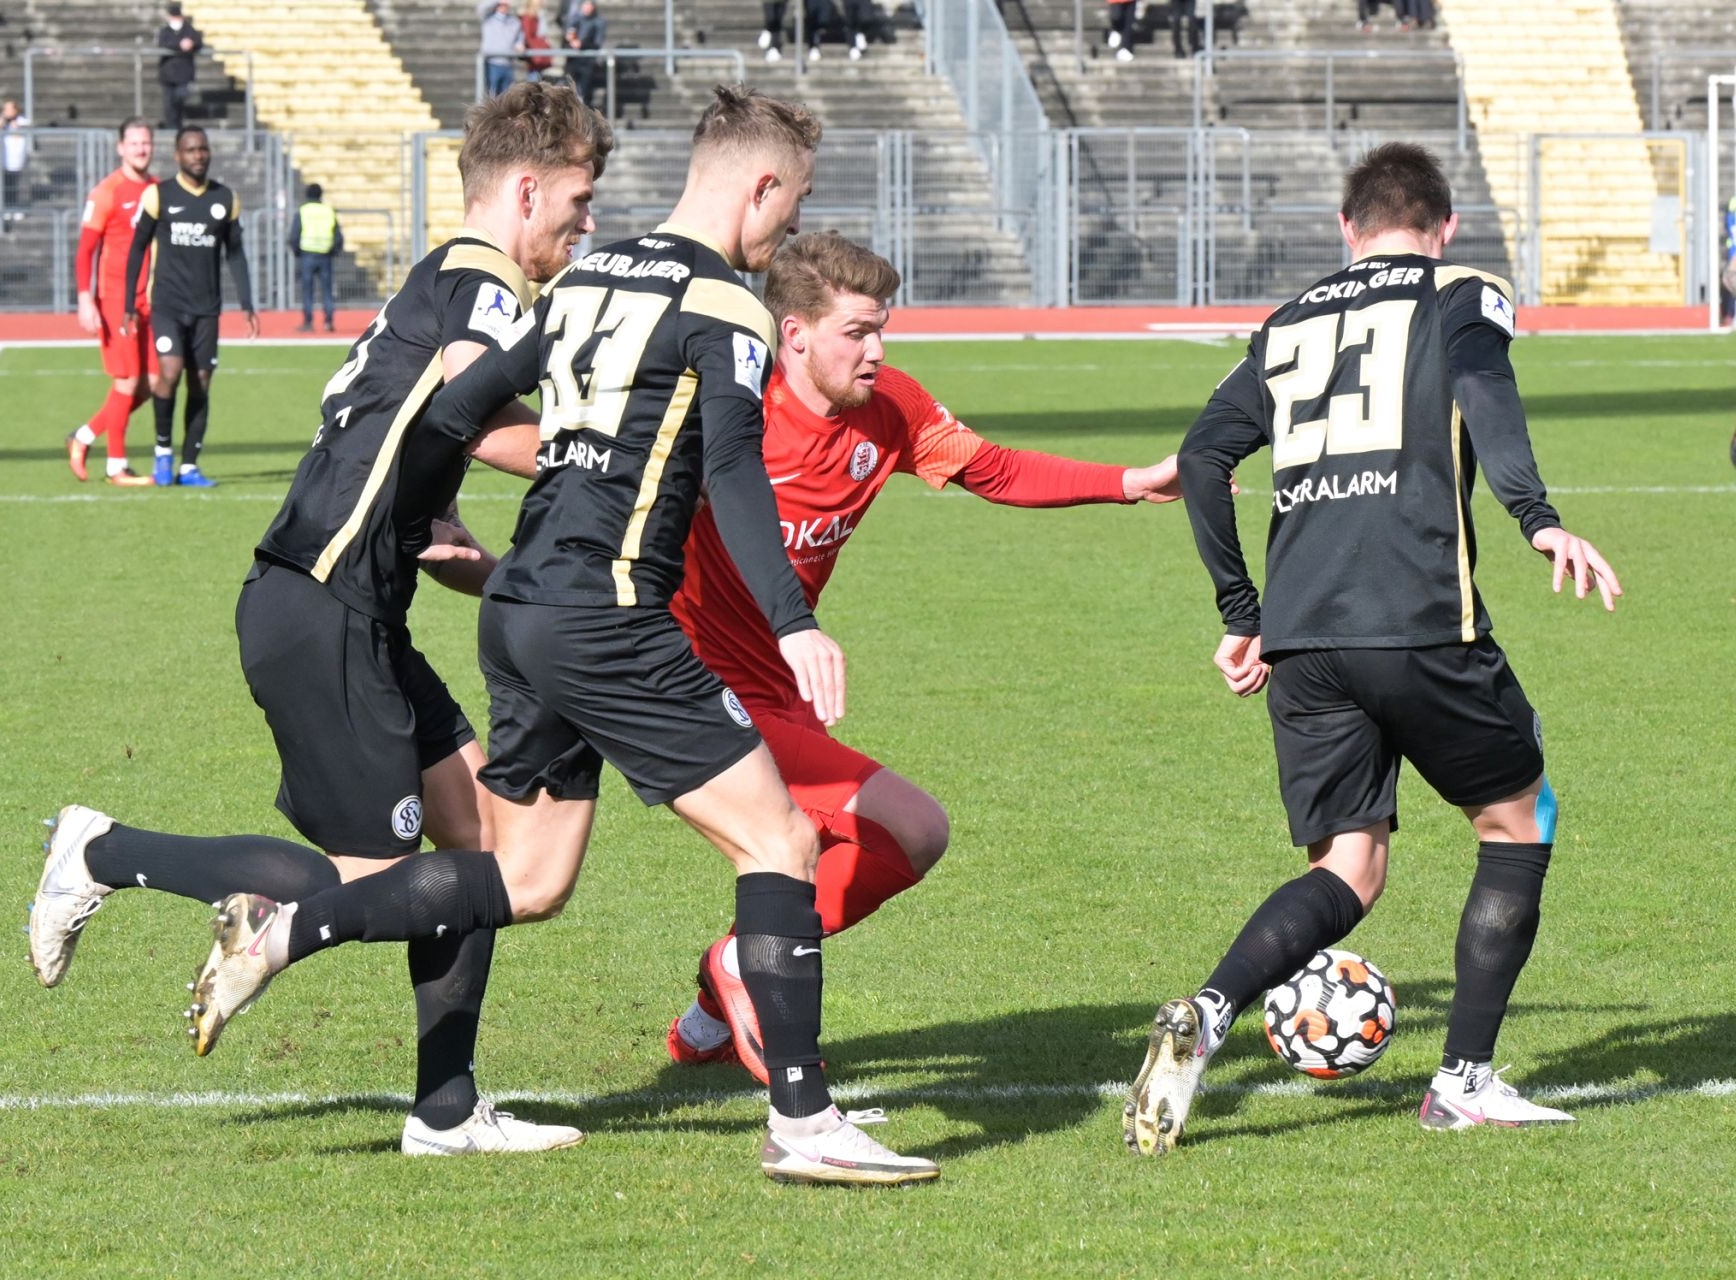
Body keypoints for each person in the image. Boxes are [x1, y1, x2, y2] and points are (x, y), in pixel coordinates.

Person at [178, 85, 938, 1186]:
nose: (792, 223)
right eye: (797, 198)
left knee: (525, 877)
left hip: (520, 612)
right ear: (763, 184)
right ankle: (805, 1121)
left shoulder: (588, 275)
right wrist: (794, 620)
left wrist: (434, 517)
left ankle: (287, 929)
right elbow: (734, 472)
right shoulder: (723, 305)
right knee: (779, 842)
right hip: (609, 618)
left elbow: (453, 409)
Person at [28, 83, 611, 1157]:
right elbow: (485, 419)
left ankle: (445, 1111)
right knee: (361, 885)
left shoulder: (440, 282)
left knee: (476, 845)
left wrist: (473, 552)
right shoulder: (483, 282)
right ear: (527, 191)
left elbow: (418, 463)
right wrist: (620, 449)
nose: (586, 225)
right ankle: (102, 850)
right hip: (322, 609)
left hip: (349, 608)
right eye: (578, 202)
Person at [1124, 142, 1623, 1156]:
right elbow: (1483, 386)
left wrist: (1241, 609)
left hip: (1303, 638)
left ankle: (1211, 1011)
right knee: (1519, 820)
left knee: (1350, 868)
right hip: (1420, 618)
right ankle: (1463, 1081)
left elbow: (1204, 456)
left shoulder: (1289, 319)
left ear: (1347, 230)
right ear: (1445, 228)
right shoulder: (1462, 290)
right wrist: (1535, 516)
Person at [662, 231, 1182, 1079]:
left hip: (786, 687)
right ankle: (752, 986)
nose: (876, 350)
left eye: (881, 329)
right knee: (909, 828)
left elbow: (993, 469)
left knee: (837, 853)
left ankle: (715, 1005)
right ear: (795, 334)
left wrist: (1129, 482)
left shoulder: (890, 405)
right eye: (856, 332)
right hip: (702, 684)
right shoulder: (733, 409)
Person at [123, 126, 258, 488]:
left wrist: (247, 303)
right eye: (191, 150)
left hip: (206, 308)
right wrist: (129, 302)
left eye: (203, 149)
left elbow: (236, 254)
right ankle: (162, 453)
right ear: (177, 155)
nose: (198, 155)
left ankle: (189, 467)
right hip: (166, 304)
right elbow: (137, 248)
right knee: (169, 372)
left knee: (200, 382)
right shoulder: (158, 195)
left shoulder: (225, 198)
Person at [68, 118, 160, 486]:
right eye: (134, 143)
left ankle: (84, 436)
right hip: (116, 300)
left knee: (154, 382)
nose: (140, 149)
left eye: (145, 142)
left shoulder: (157, 189)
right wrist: (84, 297)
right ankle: (115, 466)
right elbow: (85, 250)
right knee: (127, 380)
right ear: (121, 148)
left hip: (150, 299)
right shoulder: (106, 191)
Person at [287, 182, 342, 334]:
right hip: (325, 255)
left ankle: (308, 322)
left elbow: (294, 234)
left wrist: (297, 251)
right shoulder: (328, 211)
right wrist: (334, 251)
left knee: (307, 290)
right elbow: (337, 235)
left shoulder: (303, 211)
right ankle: (329, 321)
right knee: (327, 290)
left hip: (307, 254)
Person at [157, 3, 203, 131]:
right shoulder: (165, 31)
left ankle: (177, 125)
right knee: (169, 104)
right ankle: (171, 126)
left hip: (184, 74)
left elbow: (199, 42)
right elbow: (162, 43)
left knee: (179, 99)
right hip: (167, 74)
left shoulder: (189, 30)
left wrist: (191, 44)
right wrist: (179, 45)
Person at [479, 0, 525, 98]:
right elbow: (482, 8)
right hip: (492, 63)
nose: (504, 6)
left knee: (507, 97)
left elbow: (519, 38)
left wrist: (519, 44)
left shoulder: (514, 21)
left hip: (508, 63)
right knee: (492, 96)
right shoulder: (488, 18)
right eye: (501, 5)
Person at [0, 101, 31, 220]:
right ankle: (7, 209)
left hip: (19, 160)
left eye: (9, 109)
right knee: (7, 186)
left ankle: (16, 209)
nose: (7, 112)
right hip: (5, 160)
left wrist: (18, 126)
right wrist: (3, 118)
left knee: (18, 187)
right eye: (5, 109)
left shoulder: (22, 121)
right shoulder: (2, 121)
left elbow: (29, 126)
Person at [563, 0, 604, 105]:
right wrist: (569, 41)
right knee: (569, 89)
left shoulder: (598, 22)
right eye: (585, 6)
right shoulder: (575, 20)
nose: (586, 8)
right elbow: (567, 38)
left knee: (585, 91)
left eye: (588, 6)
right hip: (573, 60)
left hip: (587, 61)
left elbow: (597, 44)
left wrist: (582, 44)